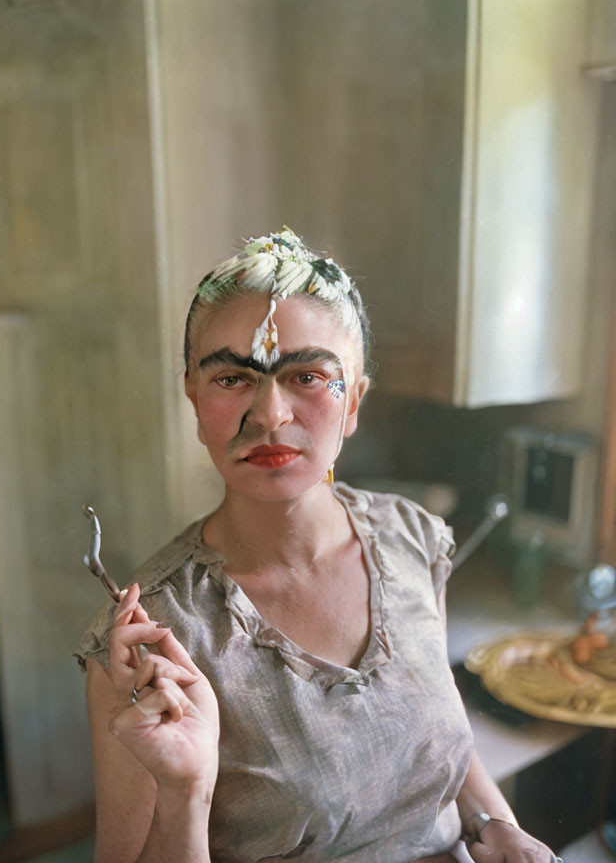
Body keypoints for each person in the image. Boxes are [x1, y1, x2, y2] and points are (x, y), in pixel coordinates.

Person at [76, 228, 561, 863]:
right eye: (231, 379)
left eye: (307, 375)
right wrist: (185, 793)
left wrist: (498, 827)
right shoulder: (152, 638)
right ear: (194, 398)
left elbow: (439, 738)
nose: (271, 414)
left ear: (353, 401)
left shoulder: (411, 540)